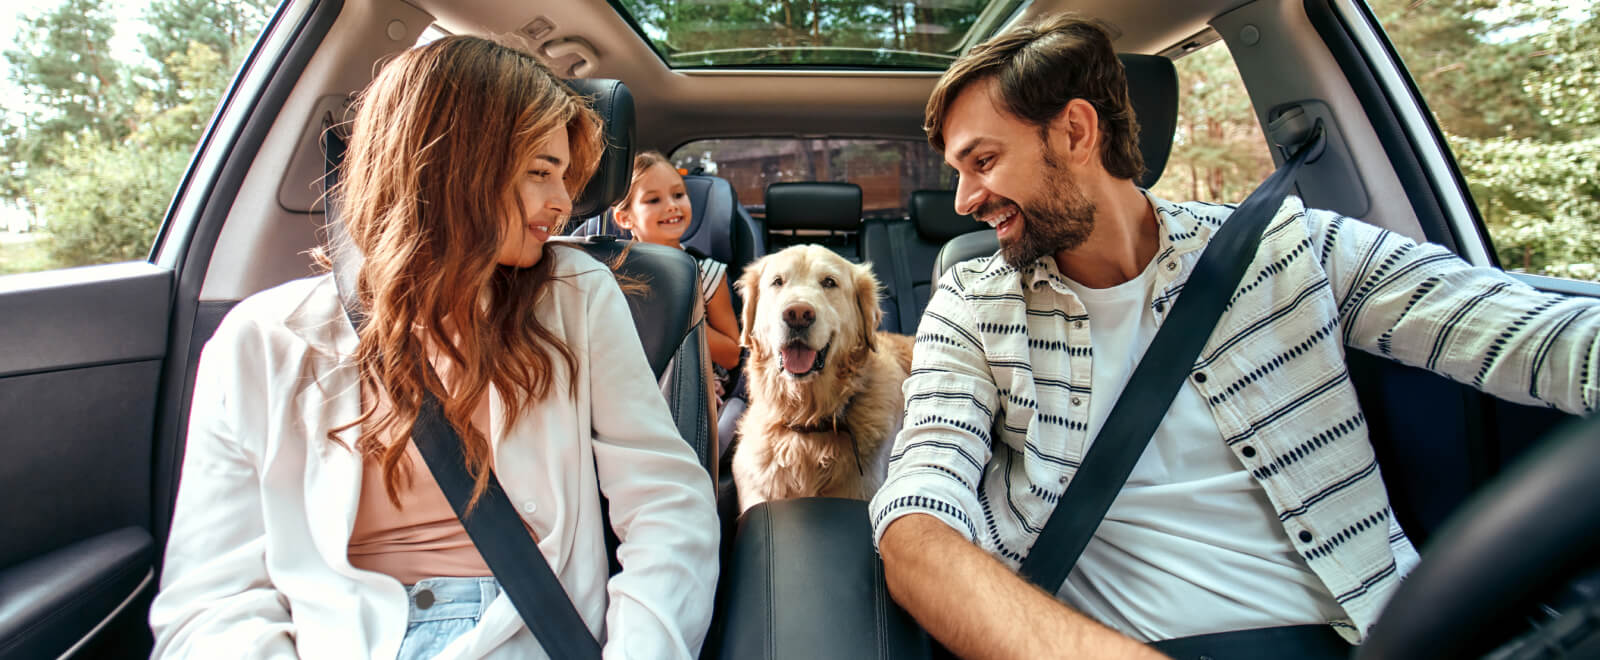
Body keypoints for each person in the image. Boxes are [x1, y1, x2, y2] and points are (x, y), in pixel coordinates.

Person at [869, 13, 1599, 659]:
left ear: (1076, 132)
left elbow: (1540, 337)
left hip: (1363, 635)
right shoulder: (972, 300)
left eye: (983, 161)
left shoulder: (1291, 247)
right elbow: (919, 513)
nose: (963, 200)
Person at [150, 36, 719, 659]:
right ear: (448, 164)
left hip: (530, 629)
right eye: (539, 172)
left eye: (563, 175)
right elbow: (213, 600)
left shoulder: (576, 296)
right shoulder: (260, 339)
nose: (563, 204)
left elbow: (666, 504)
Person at [612, 150, 743, 391]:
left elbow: (732, 356)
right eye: (654, 200)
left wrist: (678, 319)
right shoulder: (611, 274)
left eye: (678, 195)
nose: (672, 206)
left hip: (691, 387)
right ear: (624, 218)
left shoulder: (708, 273)